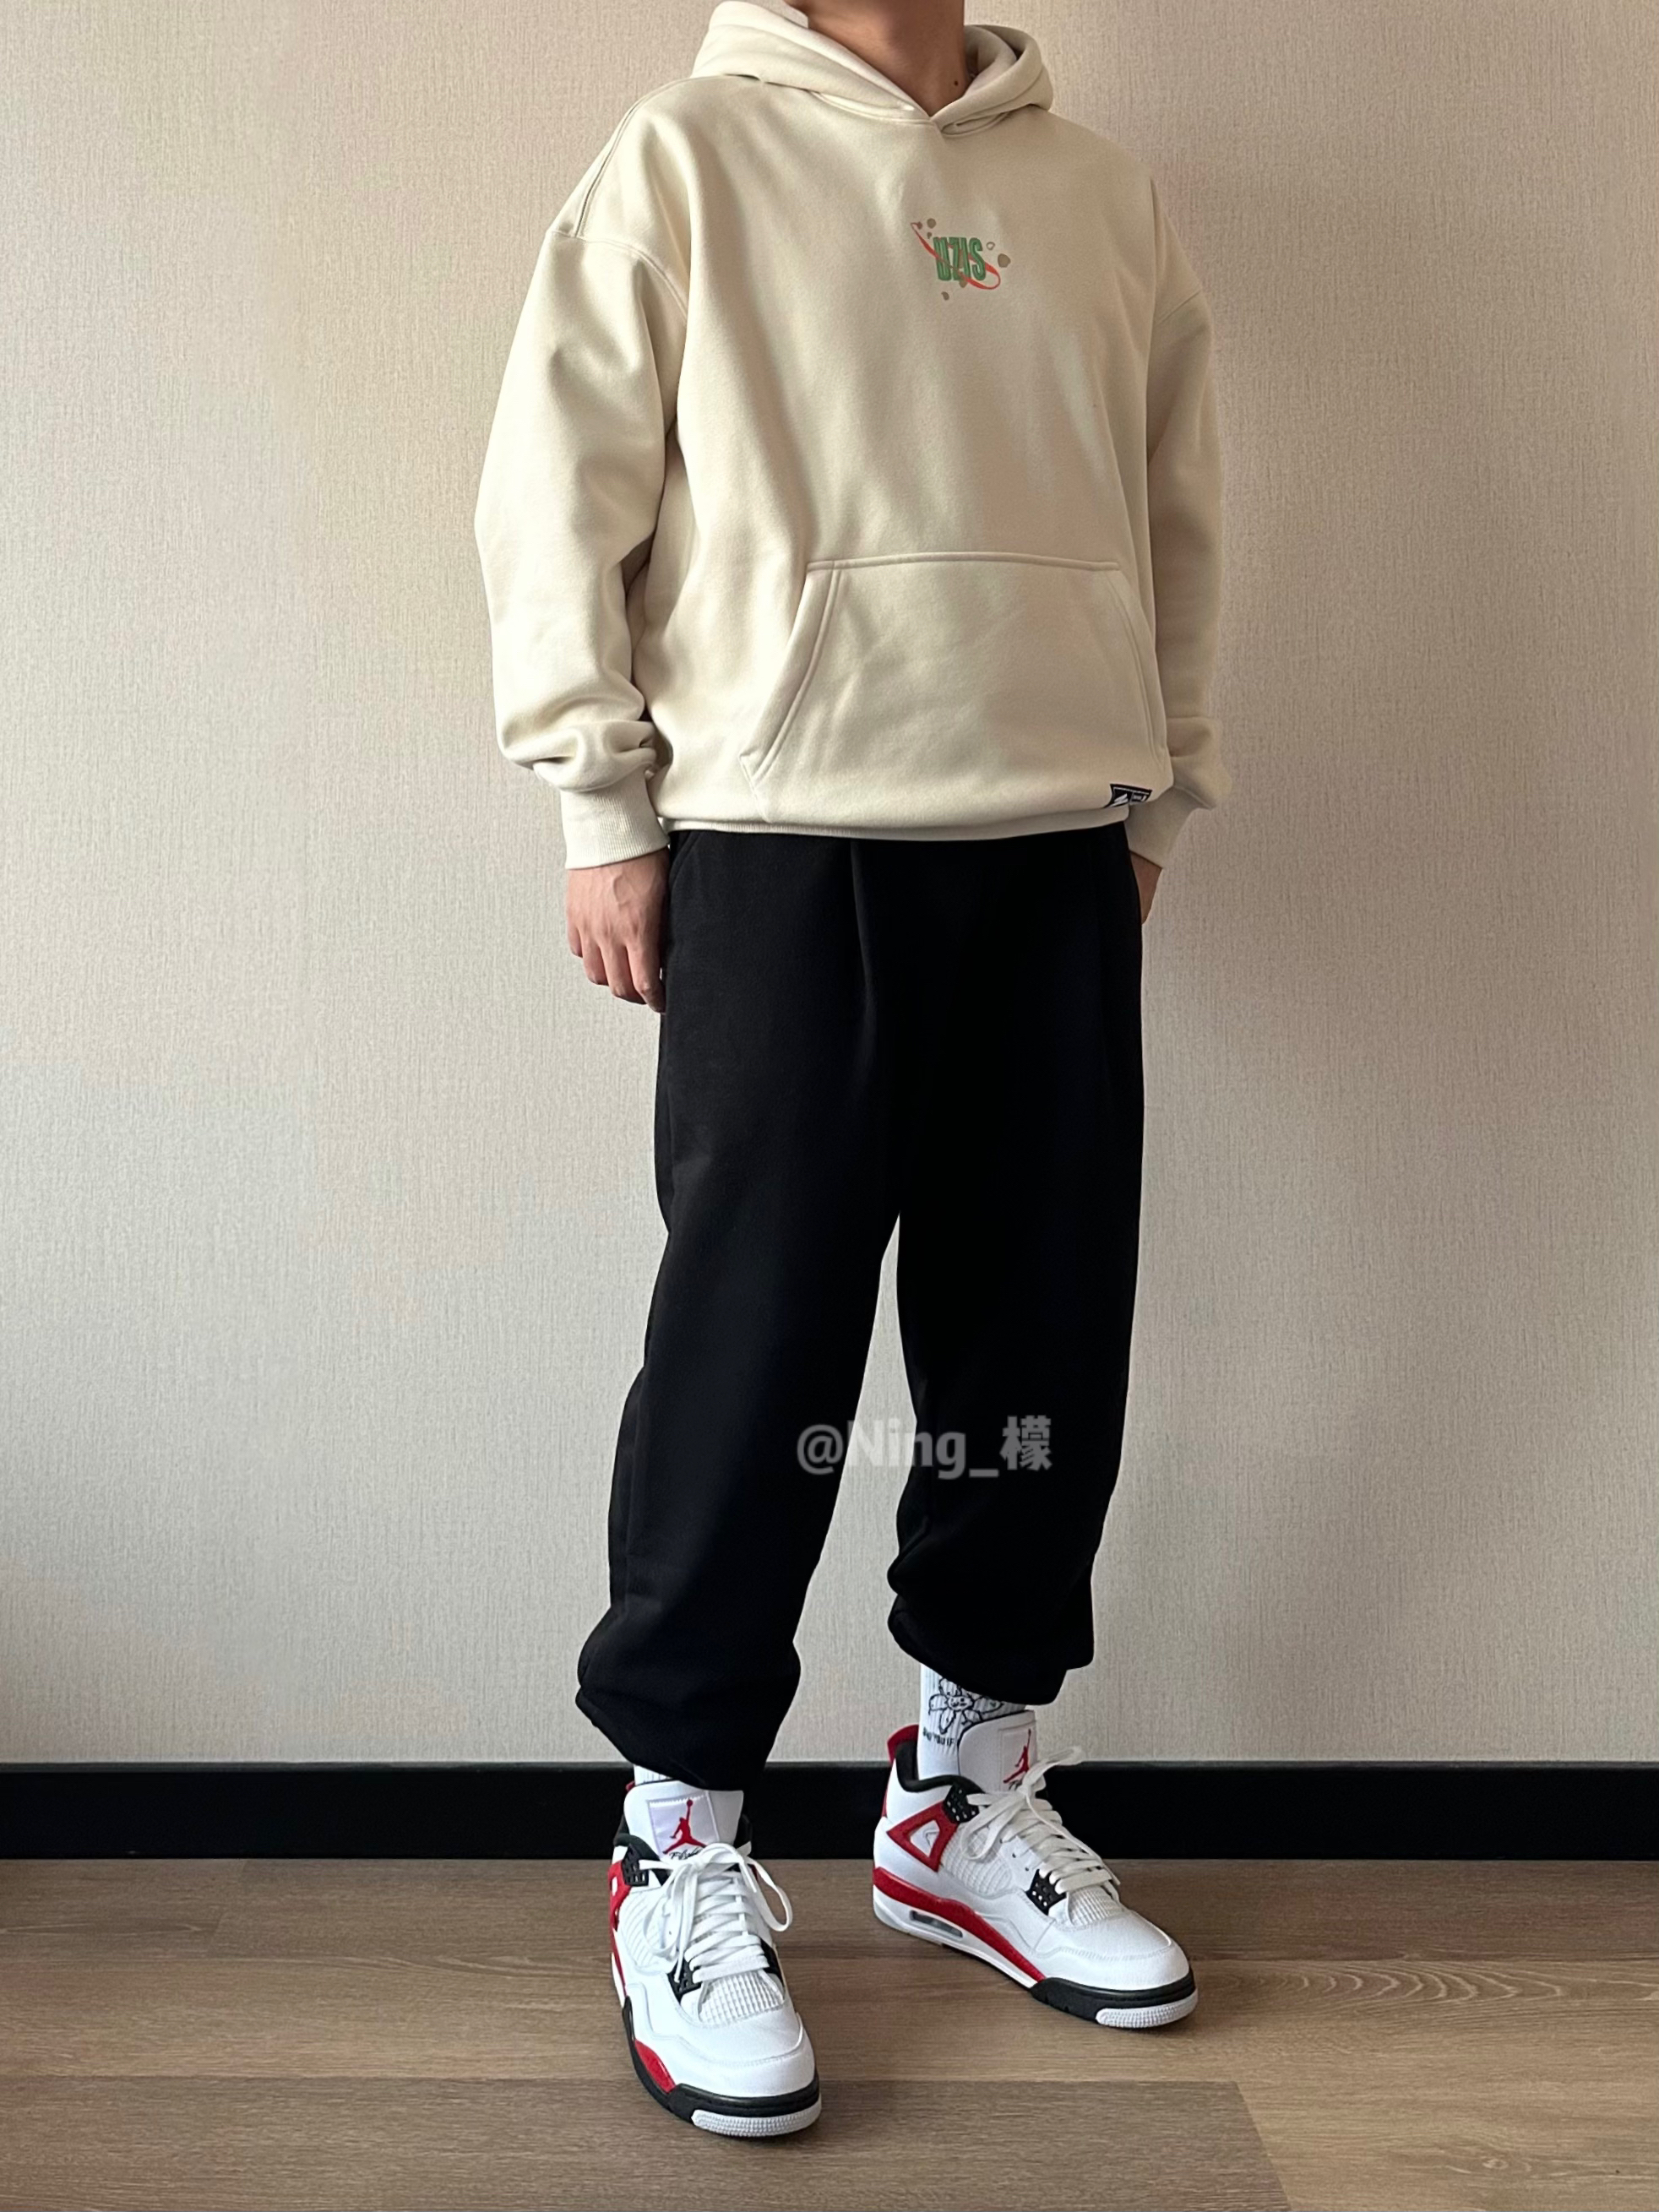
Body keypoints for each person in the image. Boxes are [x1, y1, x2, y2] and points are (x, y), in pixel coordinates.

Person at [474, 0, 1229, 2139]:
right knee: (760, 1348)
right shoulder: (686, 156)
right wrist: (600, 802)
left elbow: (1175, 508)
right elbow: (557, 484)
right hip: (782, 835)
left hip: (1055, 834)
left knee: (1034, 1335)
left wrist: (1159, 793)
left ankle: (960, 1792)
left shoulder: (1095, 194)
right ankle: (677, 1836)